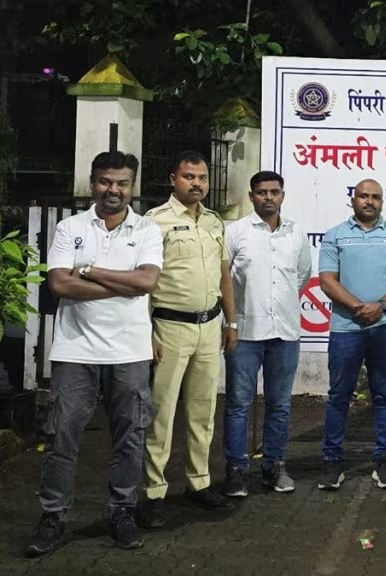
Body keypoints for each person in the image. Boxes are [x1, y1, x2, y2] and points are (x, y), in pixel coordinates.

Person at [26, 151, 163, 556]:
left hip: (130, 351)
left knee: (130, 438)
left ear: (132, 186)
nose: (113, 190)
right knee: (61, 437)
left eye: (122, 183)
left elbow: (147, 282)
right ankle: (53, 516)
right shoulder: (70, 227)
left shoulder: (147, 229)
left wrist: (88, 271)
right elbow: (59, 286)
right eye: (105, 181)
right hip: (75, 350)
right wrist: (123, 285)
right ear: (93, 183)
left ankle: (122, 511)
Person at [141, 150, 238, 528]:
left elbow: (224, 275)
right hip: (169, 328)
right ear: (173, 179)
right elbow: (144, 282)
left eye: (202, 177)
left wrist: (231, 323)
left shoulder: (214, 221)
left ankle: (199, 483)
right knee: (161, 414)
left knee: (203, 411)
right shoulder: (154, 222)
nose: (196, 183)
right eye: (188, 177)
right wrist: (147, 332)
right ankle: (153, 492)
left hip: (209, 327)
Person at [317, 178, 386, 491]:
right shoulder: (335, 235)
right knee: (339, 395)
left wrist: (380, 306)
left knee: (384, 395)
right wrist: (359, 307)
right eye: (363, 196)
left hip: (385, 326)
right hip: (346, 328)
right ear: (353, 200)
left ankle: (384, 459)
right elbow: (327, 281)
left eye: (375, 197)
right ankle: (332, 460)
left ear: (382, 201)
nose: (369, 201)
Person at [222, 171, 311, 497]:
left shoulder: (296, 233)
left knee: (280, 404)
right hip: (245, 333)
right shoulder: (235, 232)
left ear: (282, 195)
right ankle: (235, 470)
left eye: (274, 192)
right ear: (252, 196)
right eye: (262, 192)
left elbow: (302, 275)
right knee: (238, 404)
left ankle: (274, 466)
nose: (268, 197)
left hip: (285, 332)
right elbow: (224, 279)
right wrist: (231, 322)